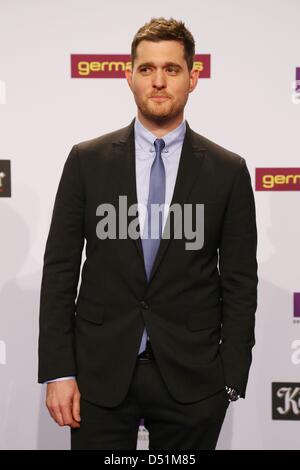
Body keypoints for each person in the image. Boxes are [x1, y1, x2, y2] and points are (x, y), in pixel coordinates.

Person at [38, 17, 258, 450]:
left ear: (193, 78)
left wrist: (230, 379)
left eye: (172, 69)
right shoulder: (87, 161)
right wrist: (59, 370)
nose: (158, 81)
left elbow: (239, 282)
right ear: (129, 75)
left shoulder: (227, 170)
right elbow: (60, 271)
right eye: (147, 69)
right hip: (99, 378)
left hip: (193, 381)